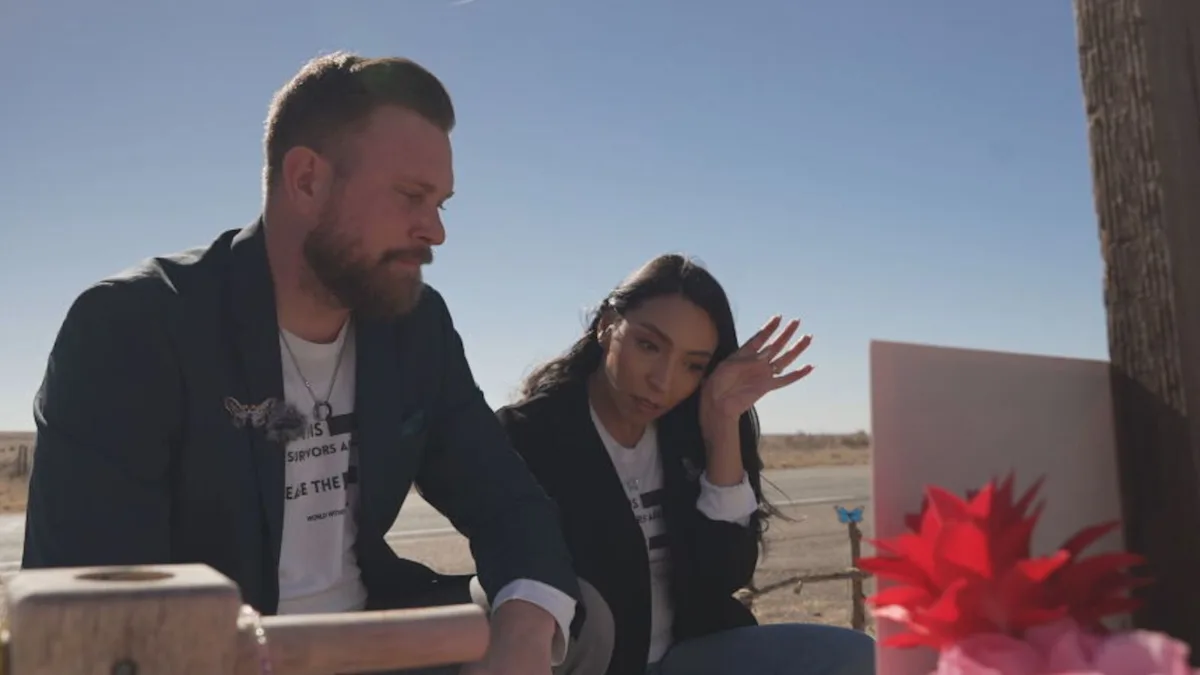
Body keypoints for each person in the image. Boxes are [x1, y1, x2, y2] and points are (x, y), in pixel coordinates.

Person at [22, 52, 612, 675]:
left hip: (376, 638)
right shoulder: (133, 328)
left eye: (442, 203)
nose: (435, 231)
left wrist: (520, 638)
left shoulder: (416, 328)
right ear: (306, 180)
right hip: (215, 658)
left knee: (577, 618)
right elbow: (91, 611)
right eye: (412, 196)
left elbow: (510, 505)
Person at [495, 254, 877, 675]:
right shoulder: (529, 434)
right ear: (607, 325)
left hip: (691, 656)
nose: (663, 381)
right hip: (594, 663)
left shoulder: (693, 429)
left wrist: (721, 421)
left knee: (858, 657)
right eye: (648, 345)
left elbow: (725, 575)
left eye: (693, 365)